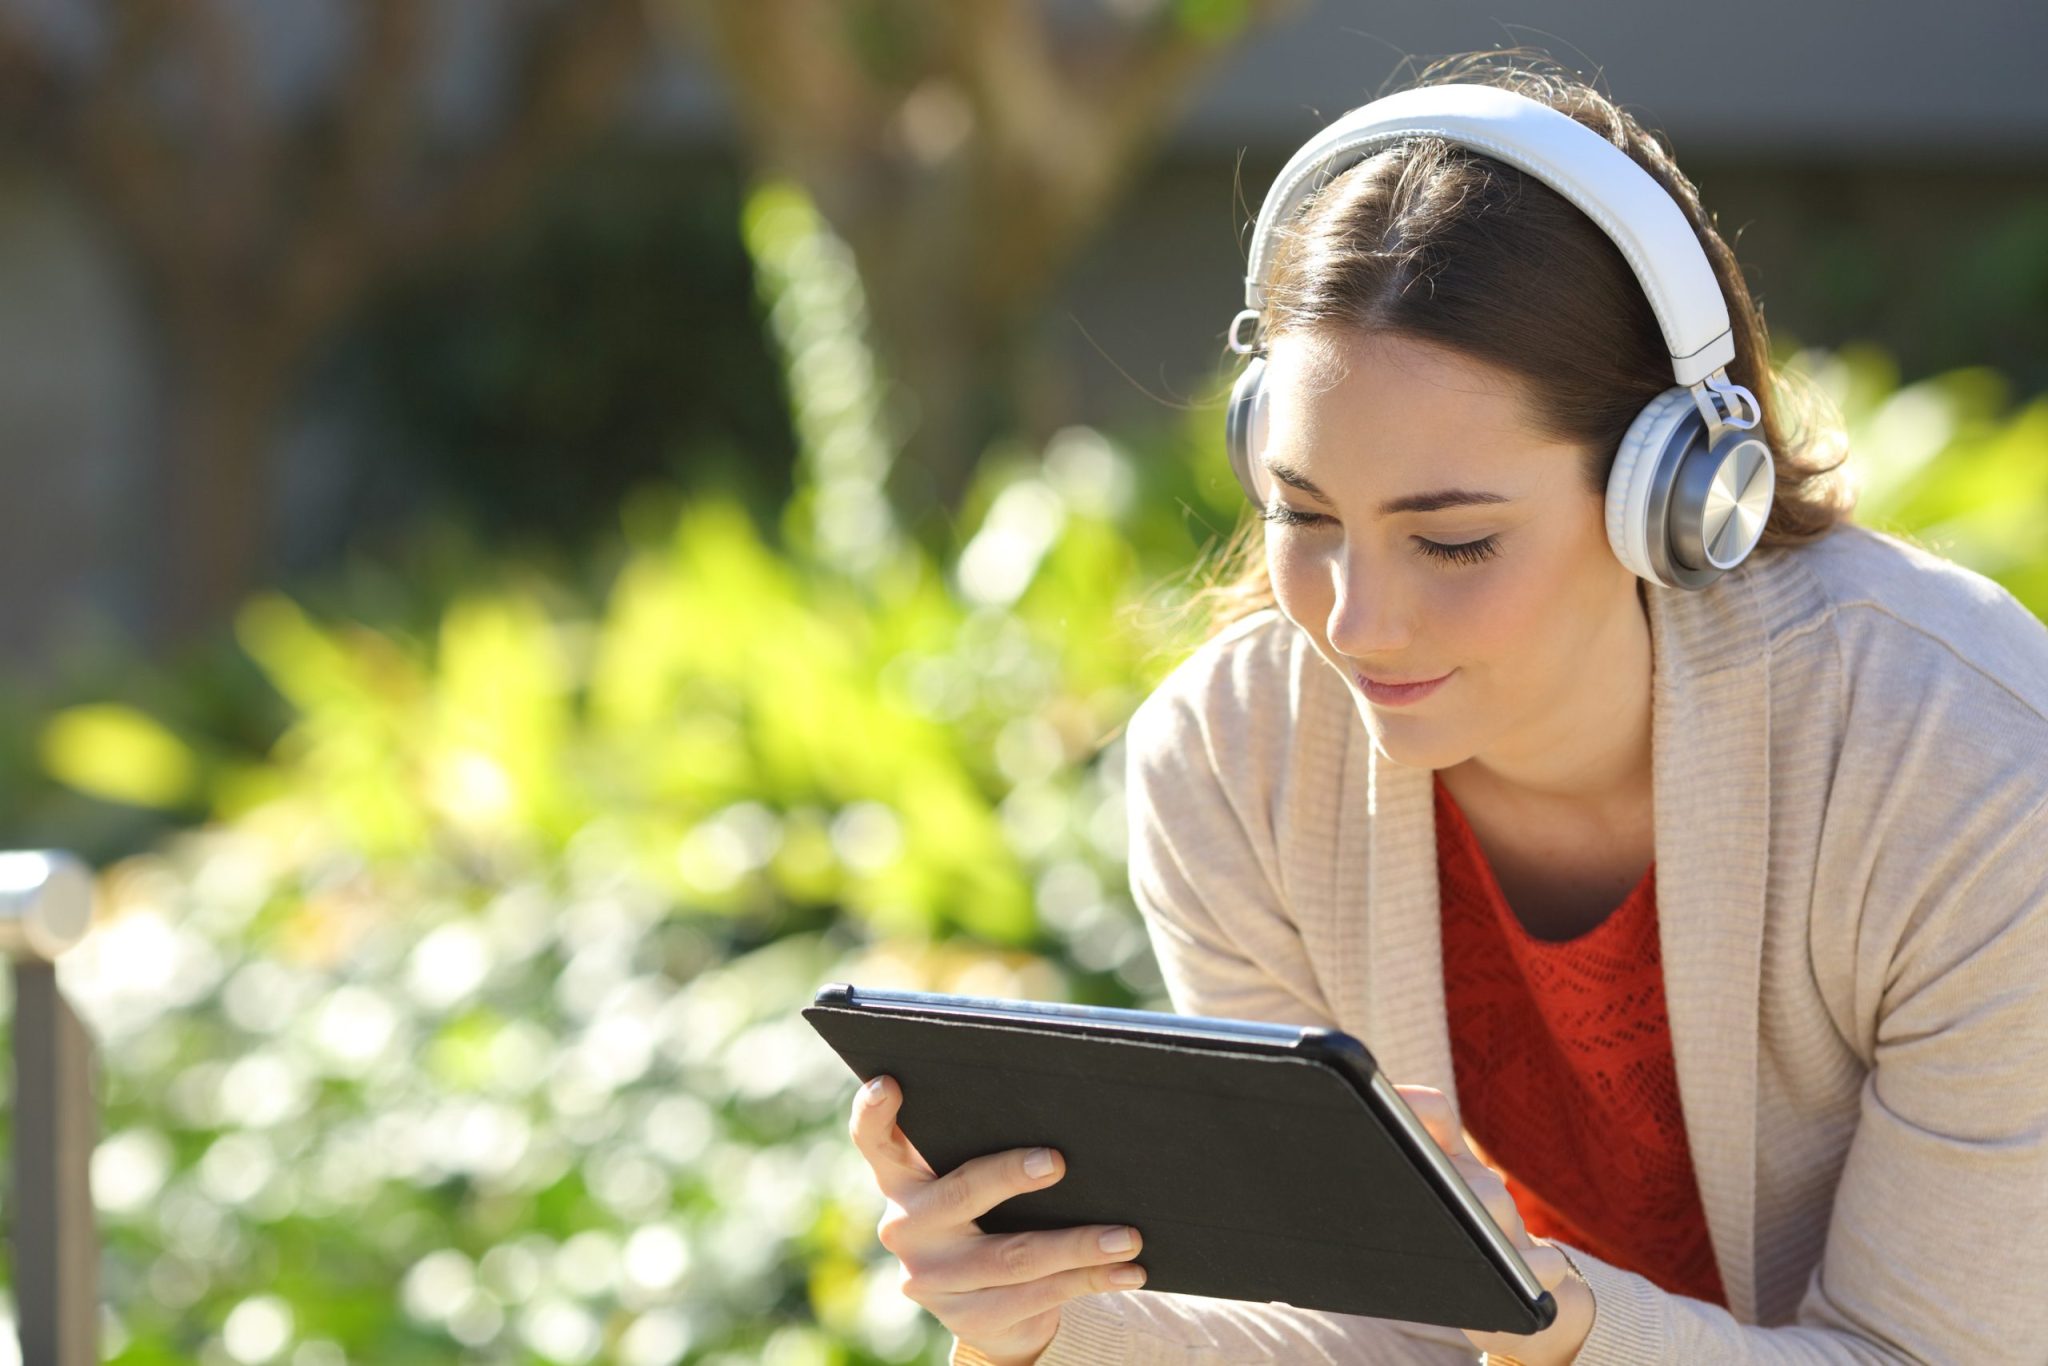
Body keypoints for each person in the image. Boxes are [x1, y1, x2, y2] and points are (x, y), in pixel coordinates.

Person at [846, 50, 2048, 1365]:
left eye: (1456, 541)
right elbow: (1368, 1337)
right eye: (1304, 515)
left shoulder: (1963, 763)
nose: (1353, 622)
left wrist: (1572, 1321)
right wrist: (1046, 1320)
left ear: (1680, 494)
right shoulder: (1232, 764)